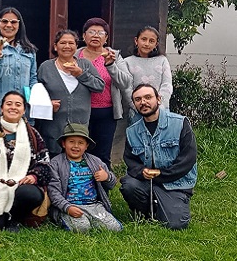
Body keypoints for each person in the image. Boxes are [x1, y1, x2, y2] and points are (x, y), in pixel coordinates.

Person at [120, 84, 197, 230]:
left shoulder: (179, 123)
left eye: (148, 97)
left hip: (175, 183)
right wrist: (141, 171)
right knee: (129, 185)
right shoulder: (132, 131)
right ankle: (146, 212)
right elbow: (130, 160)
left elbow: (188, 158)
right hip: (146, 182)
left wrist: (162, 174)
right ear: (135, 104)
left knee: (175, 224)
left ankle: (170, 204)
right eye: (138, 99)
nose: (143, 102)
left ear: (159, 99)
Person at [0, 91, 52, 232]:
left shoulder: (33, 134)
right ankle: (3, 215)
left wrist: (33, 176)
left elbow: (45, 163)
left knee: (30, 194)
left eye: (18, 104)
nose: (13, 107)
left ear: (24, 110)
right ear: (1, 108)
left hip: (22, 187)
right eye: (8, 104)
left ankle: (15, 218)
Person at [37, 29, 105, 158]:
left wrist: (80, 74)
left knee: (76, 165)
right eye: (63, 43)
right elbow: (36, 93)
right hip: (53, 128)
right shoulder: (46, 67)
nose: (67, 46)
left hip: (79, 128)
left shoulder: (85, 64)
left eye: (71, 43)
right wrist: (47, 104)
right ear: (56, 46)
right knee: (53, 166)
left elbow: (99, 86)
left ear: (76, 46)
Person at [74, 17, 132, 168]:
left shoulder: (114, 56)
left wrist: (111, 65)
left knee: (102, 154)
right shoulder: (75, 56)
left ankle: (102, 189)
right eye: (91, 31)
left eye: (100, 32)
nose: (95, 35)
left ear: (106, 38)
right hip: (79, 112)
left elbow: (126, 83)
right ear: (84, 36)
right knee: (78, 152)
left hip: (106, 113)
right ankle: (80, 189)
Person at [48, 123, 122, 232]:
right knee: (82, 227)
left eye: (81, 143)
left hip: (94, 205)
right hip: (70, 206)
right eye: (71, 142)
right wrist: (67, 208)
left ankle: (94, 218)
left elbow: (112, 183)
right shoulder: (56, 163)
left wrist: (106, 177)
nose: (76, 146)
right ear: (64, 144)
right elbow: (53, 191)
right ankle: (64, 218)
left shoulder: (95, 161)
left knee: (114, 228)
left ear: (86, 146)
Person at [0, 7, 38, 128]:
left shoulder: (29, 50)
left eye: (13, 22)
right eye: (4, 21)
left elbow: (33, 79)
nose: (9, 25)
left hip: (24, 112)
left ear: (19, 25)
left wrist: (36, 102)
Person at [124, 26, 173, 110]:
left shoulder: (162, 60)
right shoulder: (127, 62)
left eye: (151, 41)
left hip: (159, 109)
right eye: (144, 39)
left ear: (156, 44)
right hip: (136, 110)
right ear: (136, 41)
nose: (147, 44)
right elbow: (127, 88)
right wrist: (137, 106)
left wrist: (158, 106)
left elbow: (167, 85)